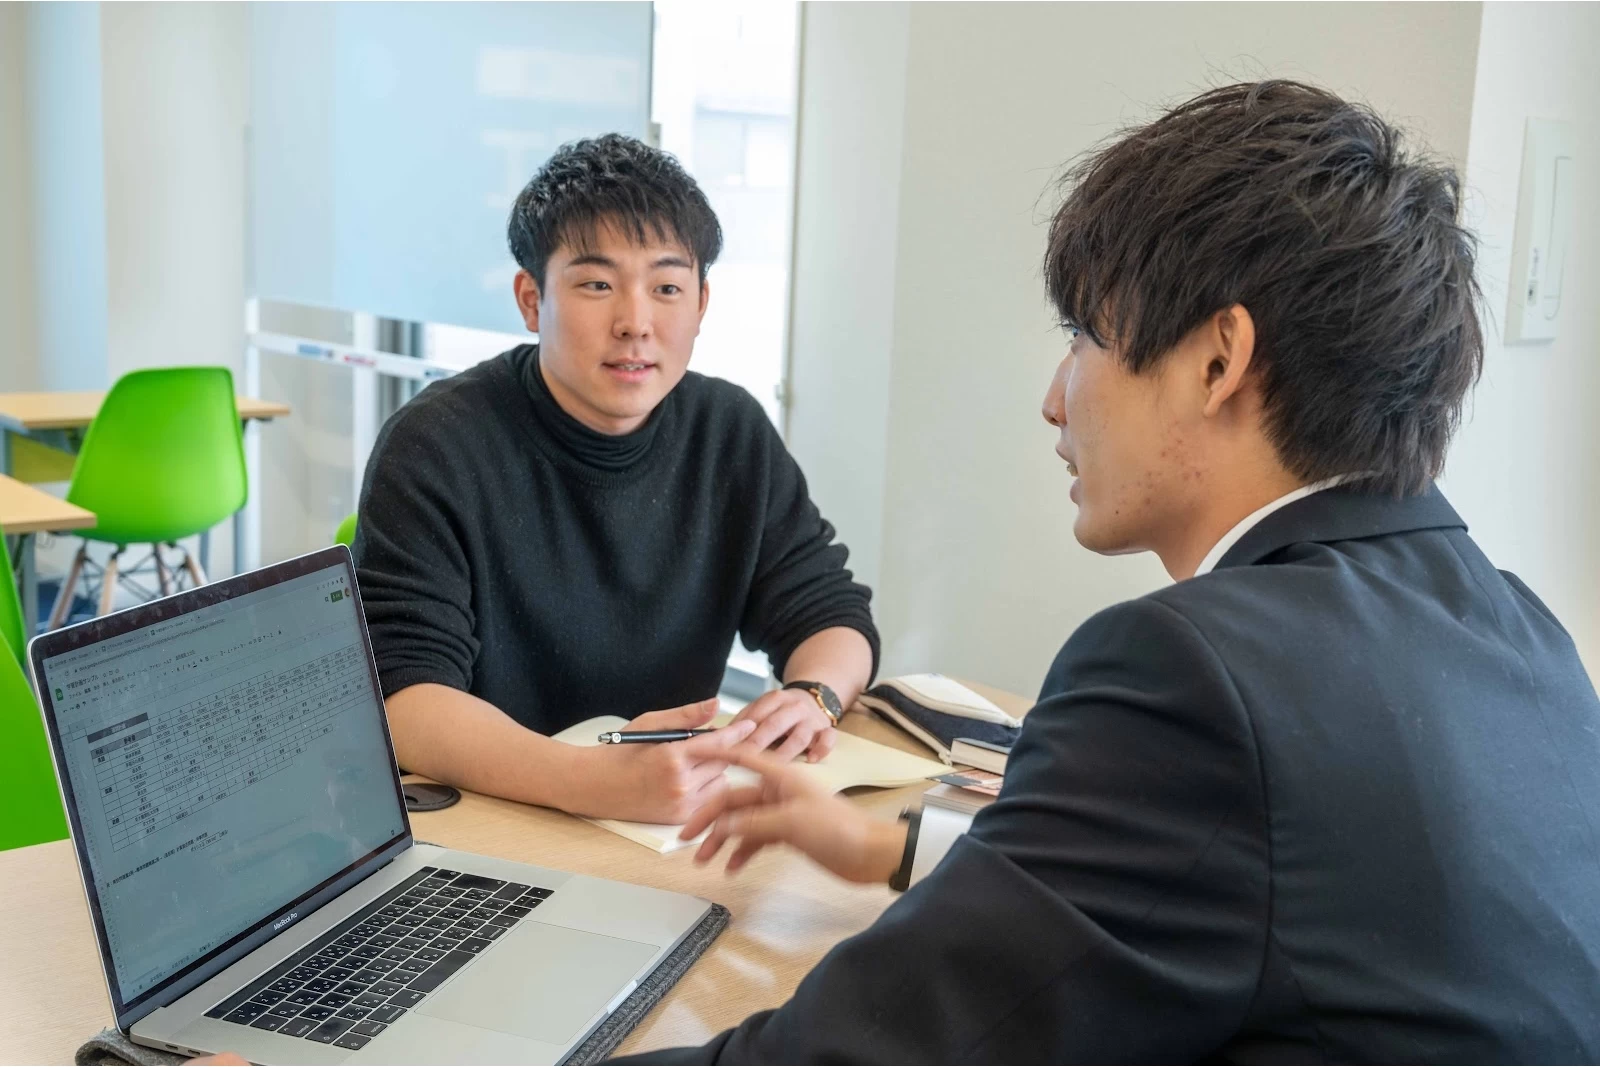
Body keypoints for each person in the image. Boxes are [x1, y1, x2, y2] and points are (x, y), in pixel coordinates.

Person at [619, 81, 1600, 1062]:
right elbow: (1221, 877)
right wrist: (890, 843)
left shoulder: (1196, 674)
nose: (1056, 398)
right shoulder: (1518, 630)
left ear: (1218, 361)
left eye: (1085, 334)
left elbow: (860, 1050)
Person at [353, 135, 877, 824]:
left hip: (664, 825)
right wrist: (591, 781)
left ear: (701, 303)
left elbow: (831, 613)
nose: (635, 323)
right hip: (491, 821)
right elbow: (404, 696)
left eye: (667, 288)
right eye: (597, 285)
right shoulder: (437, 443)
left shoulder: (730, 432)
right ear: (532, 299)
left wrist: (814, 697)